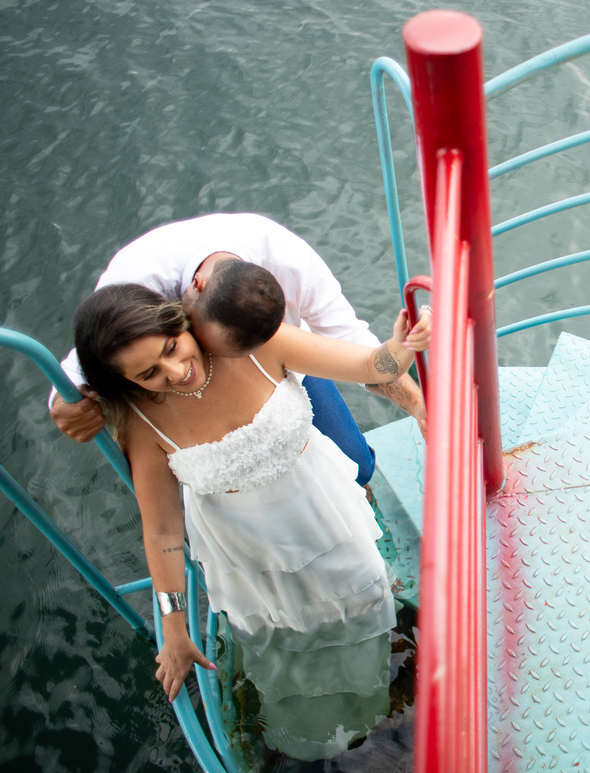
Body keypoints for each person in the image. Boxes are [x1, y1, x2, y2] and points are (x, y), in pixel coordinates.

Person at [72, 282, 431, 743]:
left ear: (181, 322)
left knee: (360, 606)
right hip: (244, 554)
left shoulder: (254, 343)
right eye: (148, 374)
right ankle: (322, 733)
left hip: (322, 513)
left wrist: (401, 347)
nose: (176, 371)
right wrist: (174, 628)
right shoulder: (142, 420)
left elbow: (366, 364)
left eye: (172, 347)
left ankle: (381, 701)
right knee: (288, 641)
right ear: (127, 383)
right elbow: (162, 528)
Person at [50, 213, 426, 487]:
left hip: (288, 367)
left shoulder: (292, 263)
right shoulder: (136, 282)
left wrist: (420, 408)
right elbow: (78, 367)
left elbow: (355, 346)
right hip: (187, 397)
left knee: (356, 465)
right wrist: (66, 404)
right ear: (190, 294)